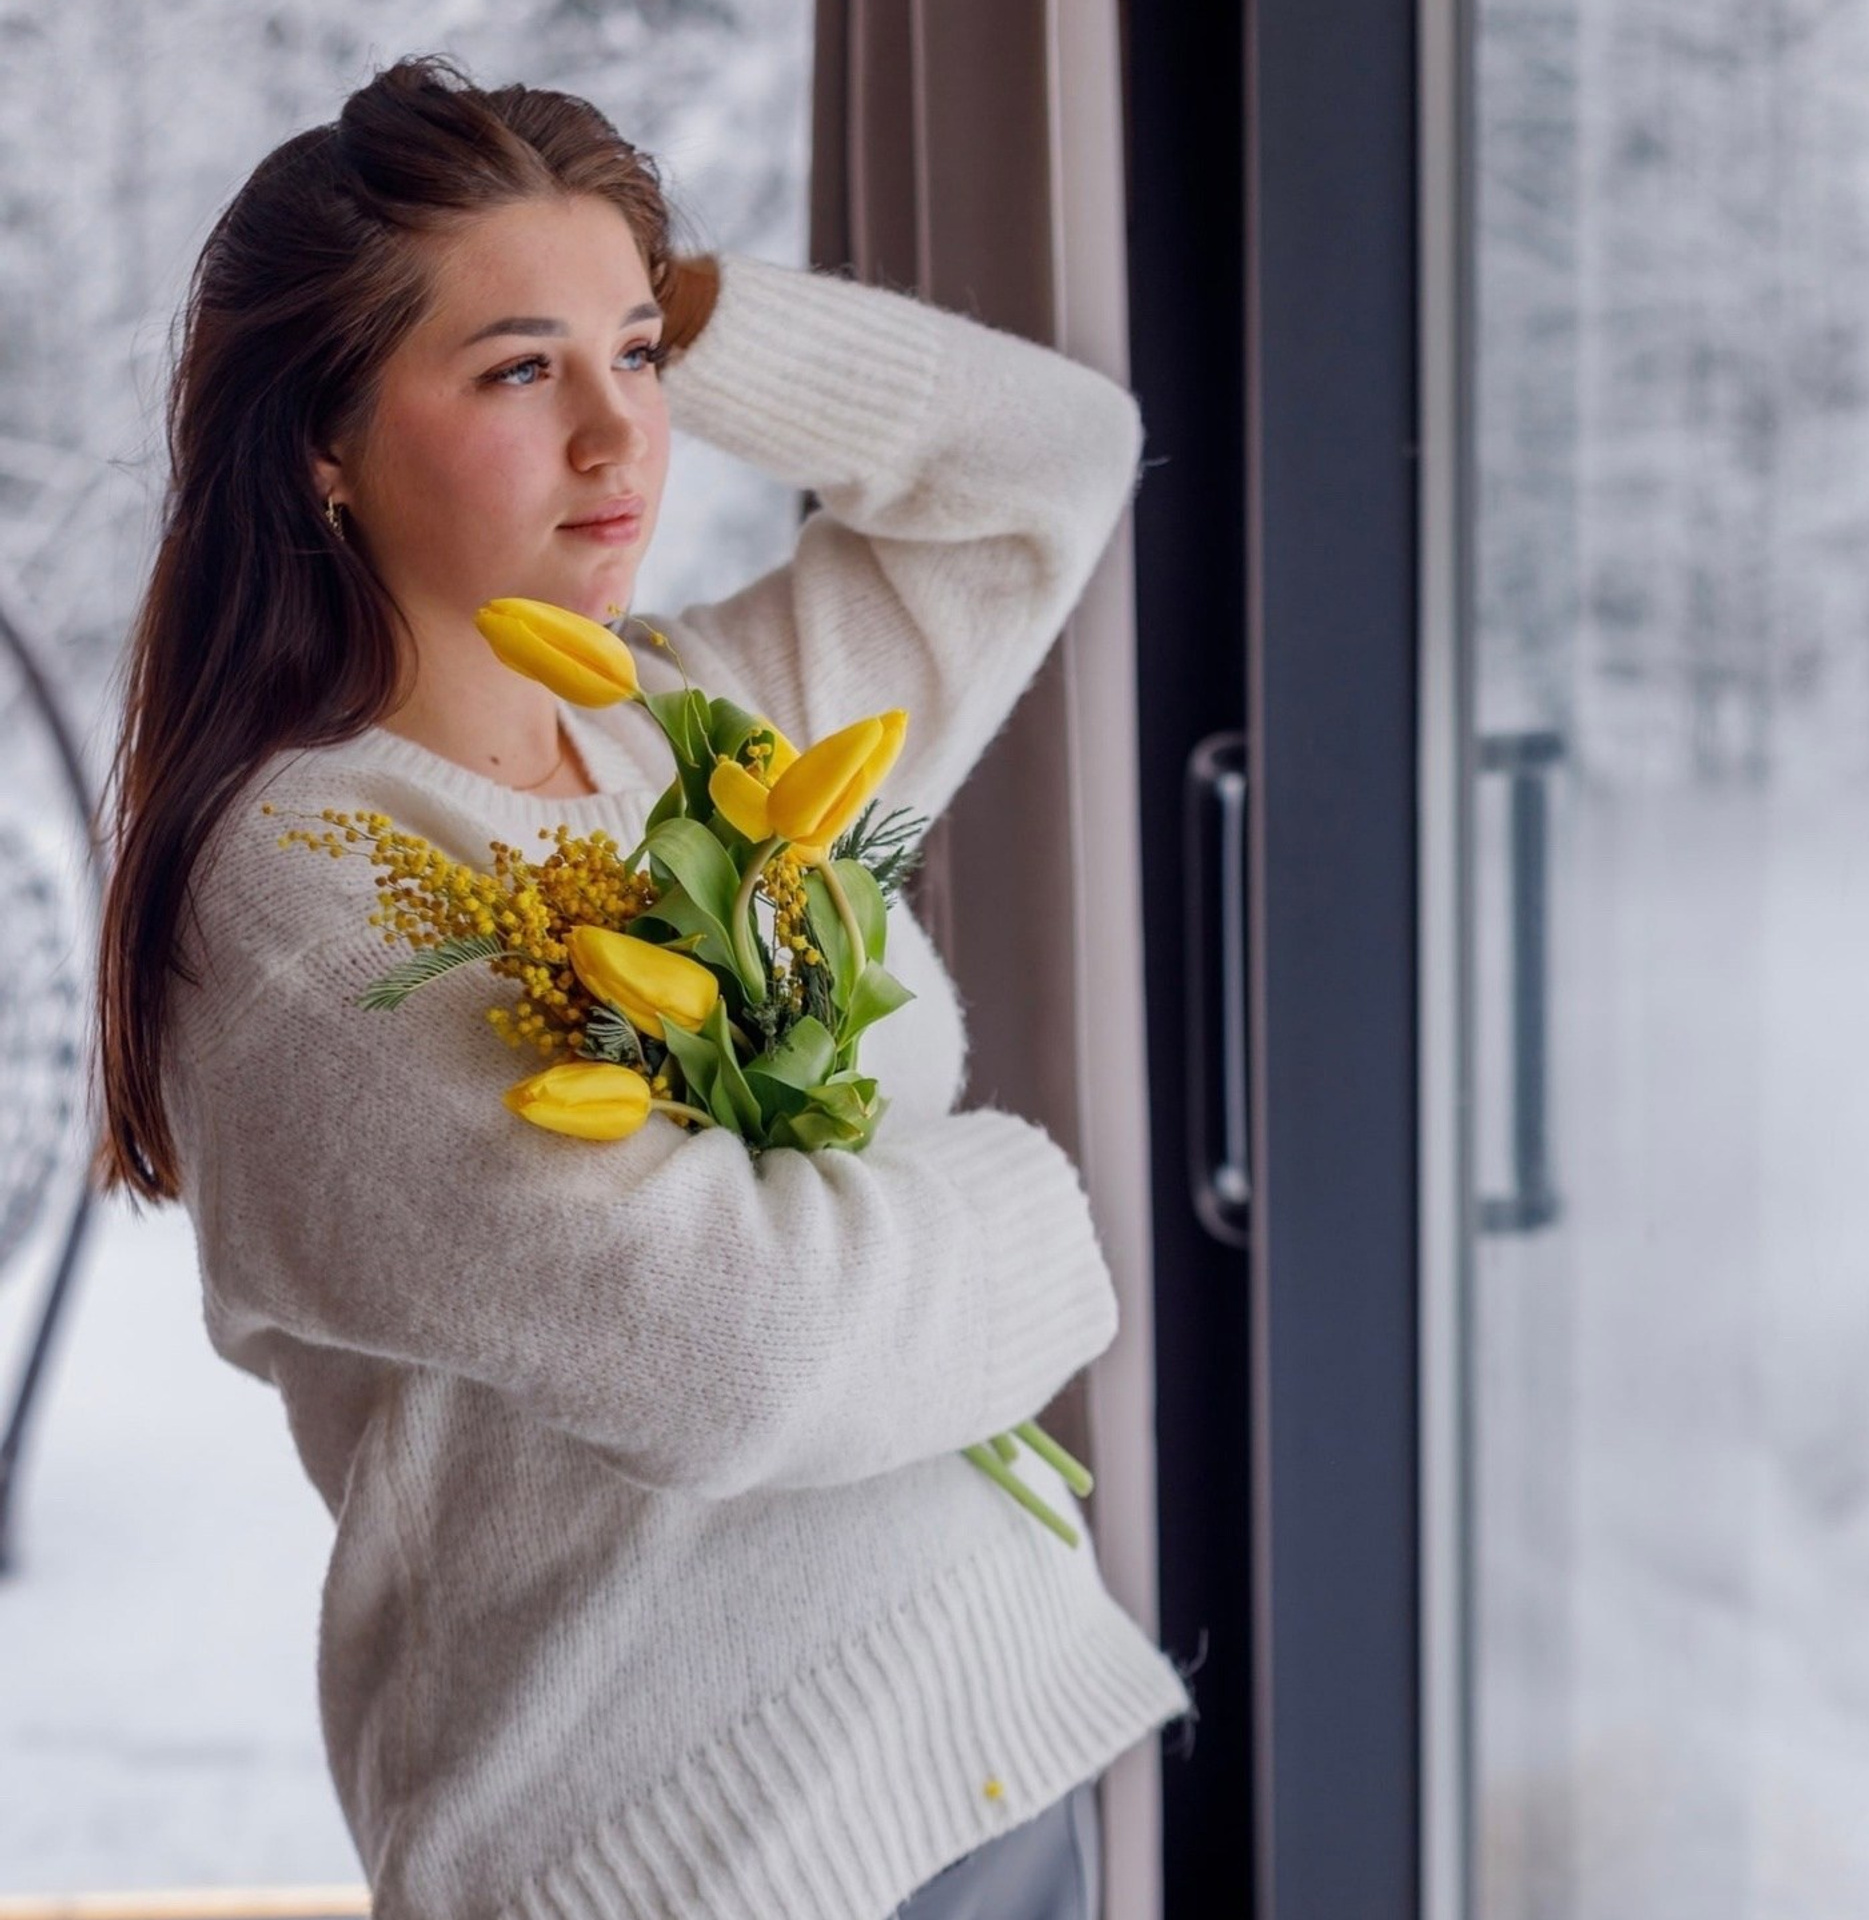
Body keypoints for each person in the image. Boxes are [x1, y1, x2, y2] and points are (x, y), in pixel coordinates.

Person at [88, 53, 1194, 1920]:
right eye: (521, 371)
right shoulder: (307, 893)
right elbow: (746, 1358)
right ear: (325, 446)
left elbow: (1047, 469)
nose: (621, 440)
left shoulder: (696, 731)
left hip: (977, 1760)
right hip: (682, 1858)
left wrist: (684, 295)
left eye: (639, 367)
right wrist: (1040, 1219)